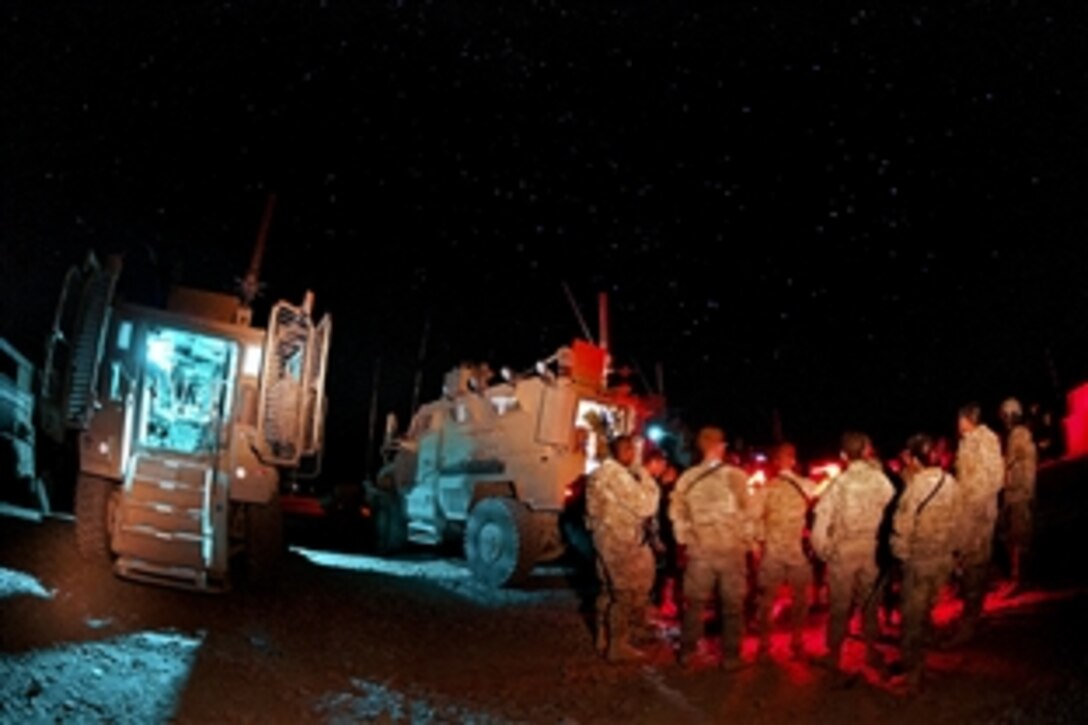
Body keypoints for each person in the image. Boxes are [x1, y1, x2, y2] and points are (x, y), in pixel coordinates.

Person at [670, 426, 755, 671]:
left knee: (695, 605)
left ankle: (687, 653)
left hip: (700, 554)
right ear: (720, 446)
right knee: (732, 607)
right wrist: (750, 542)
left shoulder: (687, 478)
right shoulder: (736, 477)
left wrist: (686, 540)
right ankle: (730, 657)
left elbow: (676, 514)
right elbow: (749, 513)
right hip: (731, 553)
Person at [809, 431, 895, 673]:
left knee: (839, 605)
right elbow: (893, 513)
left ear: (843, 455)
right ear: (866, 450)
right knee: (870, 601)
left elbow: (821, 520)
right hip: (872, 551)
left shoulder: (840, 483)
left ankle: (834, 655)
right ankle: (870, 650)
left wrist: (823, 550)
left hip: (843, 553)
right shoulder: (881, 481)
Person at [890, 434, 962, 694]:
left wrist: (901, 556)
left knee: (912, 620)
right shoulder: (950, 481)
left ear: (915, 459)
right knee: (927, 613)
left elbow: (902, 528)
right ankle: (923, 662)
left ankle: (913, 677)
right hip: (943, 562)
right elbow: (959, 520)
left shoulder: (915, 487)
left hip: (919, 563)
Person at [584, 435, 661, 662]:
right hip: (619, 540)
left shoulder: (598, 473)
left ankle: (603, 637)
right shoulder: (617, 475)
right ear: (624, 451)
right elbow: (646, 505)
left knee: (608, 589)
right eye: (632, 450)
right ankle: (618, 645)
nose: (634, 454)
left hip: (604, 538)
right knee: (624, 592)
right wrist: (645, 474)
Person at [754, 442, 819, 660]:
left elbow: (753, 519)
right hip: (795, 550)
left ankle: (764, 644)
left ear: (775, 462)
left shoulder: (766, 488)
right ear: (792, 461)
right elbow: (821, 497)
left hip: (772, 551)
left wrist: (758, 543)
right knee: (800, 599)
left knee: (767, 600)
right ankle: (797, 641)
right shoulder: (805, 485)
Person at [948, 402, 1005, 647]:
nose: (957, 424)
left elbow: (994, 479)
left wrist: (975, 511)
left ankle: (969, 623)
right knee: (973, 563)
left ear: (967, 419)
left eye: (959, 419)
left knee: (974, 563)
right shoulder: (968, 441)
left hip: (977, 514)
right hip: (970, 513)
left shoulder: (985, 439)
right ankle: (974, 613)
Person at [999, 397, 1038, 595]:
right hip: (1016, 494)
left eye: (1006, 416)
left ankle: (1019, 580)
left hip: (1019, 495)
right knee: (1014, 538)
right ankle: (1020, 578)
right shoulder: (1017, 435)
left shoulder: (1019, 435)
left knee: (1019, 539)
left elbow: (1019, 467)